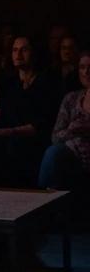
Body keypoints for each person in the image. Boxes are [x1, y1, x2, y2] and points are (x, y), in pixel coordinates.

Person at [0, 36, 62, 186]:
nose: (18, 55)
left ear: (34, 53)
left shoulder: (48, 82)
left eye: (24, 50)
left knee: (16, 147)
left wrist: (6, 132)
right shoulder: (8, 83)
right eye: (15, 50)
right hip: (6, 135)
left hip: (33, 137)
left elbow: (41, 125)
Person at [38, 51, 90, 191]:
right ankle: (46, 200)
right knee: (54, 152)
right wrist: (72, 130)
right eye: (82, 67)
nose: (86, 72)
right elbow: (55, 137)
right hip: (72, 156)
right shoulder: (71, 99)